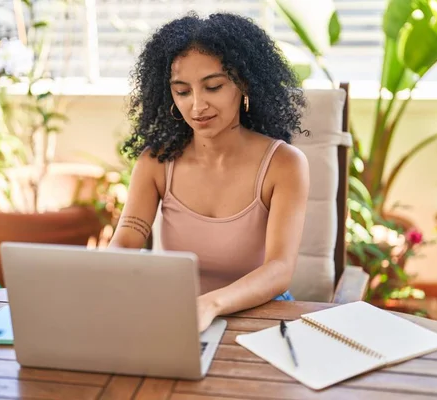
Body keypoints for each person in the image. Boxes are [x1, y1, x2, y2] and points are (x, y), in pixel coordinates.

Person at [108, 12, 310, 332]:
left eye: (213, 86)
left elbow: (280, 268)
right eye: (183, 91)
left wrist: (211, 304)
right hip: (178, 315)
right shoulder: (156, 163)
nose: (197, 106)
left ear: (243, 83)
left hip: (262, 319)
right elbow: (126, 243)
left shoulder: (284, 164)